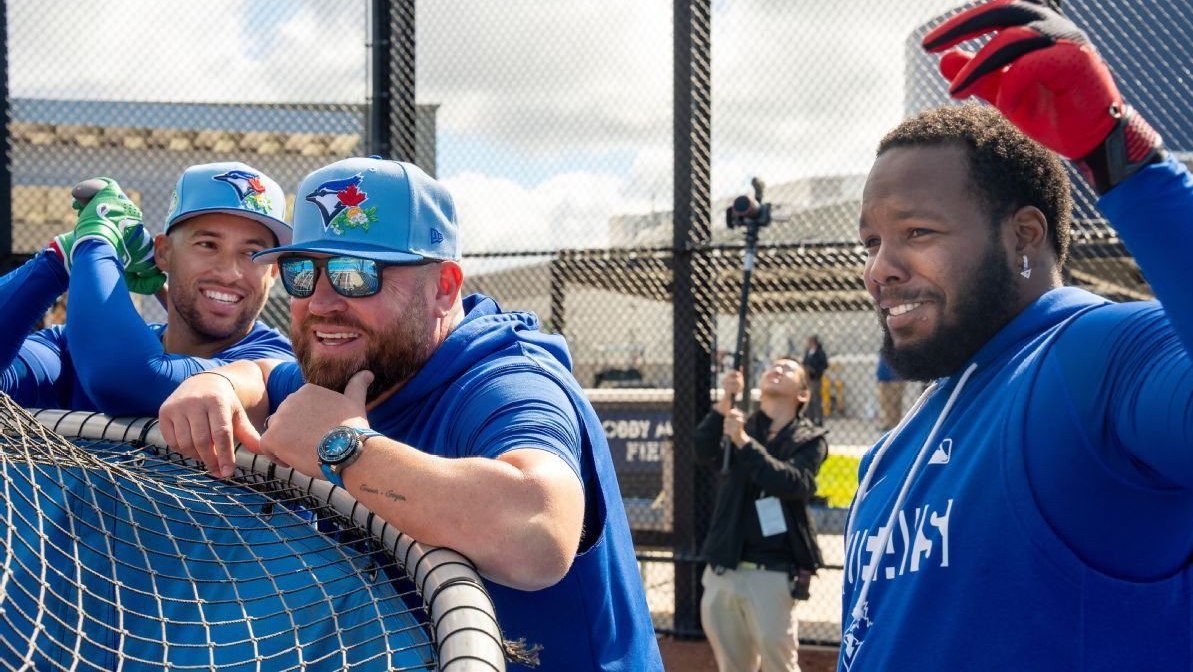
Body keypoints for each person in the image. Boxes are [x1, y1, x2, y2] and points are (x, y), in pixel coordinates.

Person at [840, 0, 1193, 670]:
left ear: (1024, 233)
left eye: (917, 232)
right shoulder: (890, 455)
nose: (881, 266)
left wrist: (1118, 152)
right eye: (871, 240)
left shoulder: (1095, 357)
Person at [157, 156, 663, 671]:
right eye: (303, 273)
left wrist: (343, 449)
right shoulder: (358, 366)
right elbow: (267, 376)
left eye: (359, 275)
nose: (323, 301)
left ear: (444, 287)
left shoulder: (504, 382)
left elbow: (538, 531)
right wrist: (217, 381)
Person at [0, 163, 294, 414]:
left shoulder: (274, 365)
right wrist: (58, 260)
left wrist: (94, 246)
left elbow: (127, 378)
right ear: (163, 253)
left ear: (274, 271)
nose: (230, 273)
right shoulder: (69, 348)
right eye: (207, 245)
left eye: (252, 253)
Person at [694, 358, 827, 672]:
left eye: (787, 369)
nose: (776, 369)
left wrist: (743, 443)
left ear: (803, 394)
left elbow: (794, 483)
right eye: (772, 366)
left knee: (779, 662)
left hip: (773, 571)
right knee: (733, 666)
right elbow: (702, 449)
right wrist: (725, 401)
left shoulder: (809, 439)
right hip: (724, 568)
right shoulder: (739, 422)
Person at [801, 335, 829, 426]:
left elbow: (824, 365)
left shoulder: (820, 353)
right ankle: (810, 418)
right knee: (809, 399)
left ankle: (818, 419)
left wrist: (815, 370)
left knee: (816, 399)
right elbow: (804, 362)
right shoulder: (808, 352)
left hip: (816, 379)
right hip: (808, 379)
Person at [874, 350, 904, 430]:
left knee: (891, 404)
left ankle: (892, 426)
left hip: (891, 379)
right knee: (888, 404)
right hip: (888, 378)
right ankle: (891, 425)